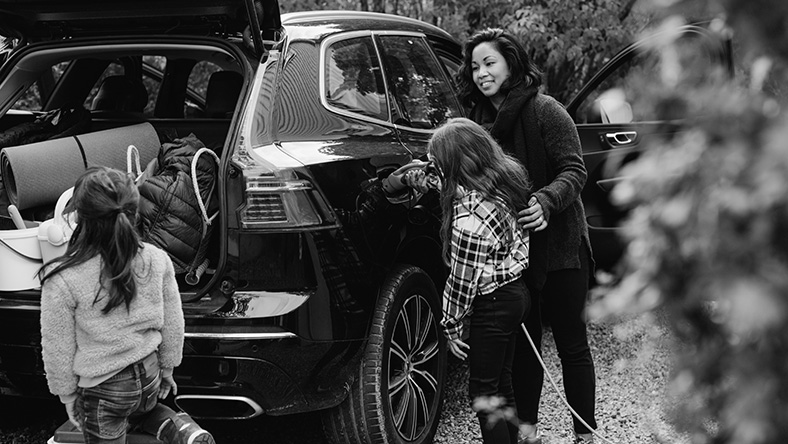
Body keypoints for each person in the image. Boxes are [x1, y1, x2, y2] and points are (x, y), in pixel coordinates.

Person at [457, 28, 597, 444]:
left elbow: (575, 170)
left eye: (490, 63)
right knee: (524, 353)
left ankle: (584, 434)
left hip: (560, 250)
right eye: (475, 66)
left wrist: (545, 201)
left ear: (512, 63)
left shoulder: (546, 111)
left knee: (572, 346)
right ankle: (526, 434)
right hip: (510, 258)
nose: (481, 73)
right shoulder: (476, 124)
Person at [38, 166, 215, 444]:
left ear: (79, 217)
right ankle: (180, 428)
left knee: (114, 418)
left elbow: (57, 345)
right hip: (149, 374)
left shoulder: (62, 277)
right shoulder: (157, 259)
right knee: (143, 412)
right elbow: (173, 321)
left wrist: (67, 394)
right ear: (135, 212)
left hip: (103, 387)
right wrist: (168, 368)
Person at [430, 117, 531, 444]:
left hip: (493, 306)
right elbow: (521, 244)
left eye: (438, 166)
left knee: (483, 393)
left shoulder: (468, 221)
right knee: (502, 383)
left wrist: (451, 325)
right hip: (515, 296)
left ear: (454, 167)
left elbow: (461, 281)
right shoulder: (503, 191)